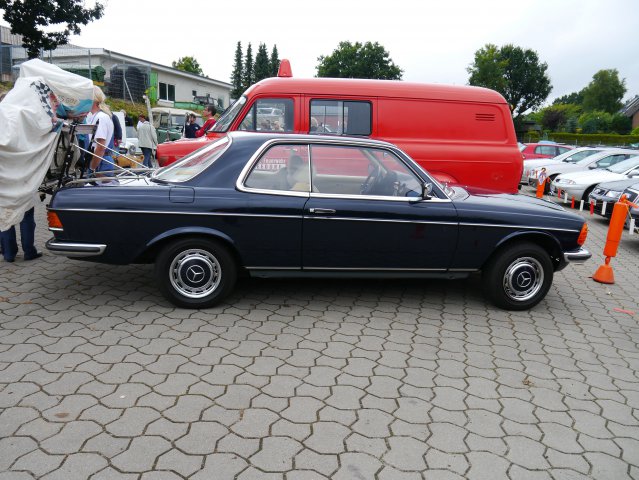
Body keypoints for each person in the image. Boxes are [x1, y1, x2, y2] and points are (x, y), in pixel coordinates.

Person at [85, 86, 115, 177]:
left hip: (100, 163)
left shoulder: (101, 117)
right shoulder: (96, 117)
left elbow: (100, 147)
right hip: (99, 161)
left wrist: (92, 167)